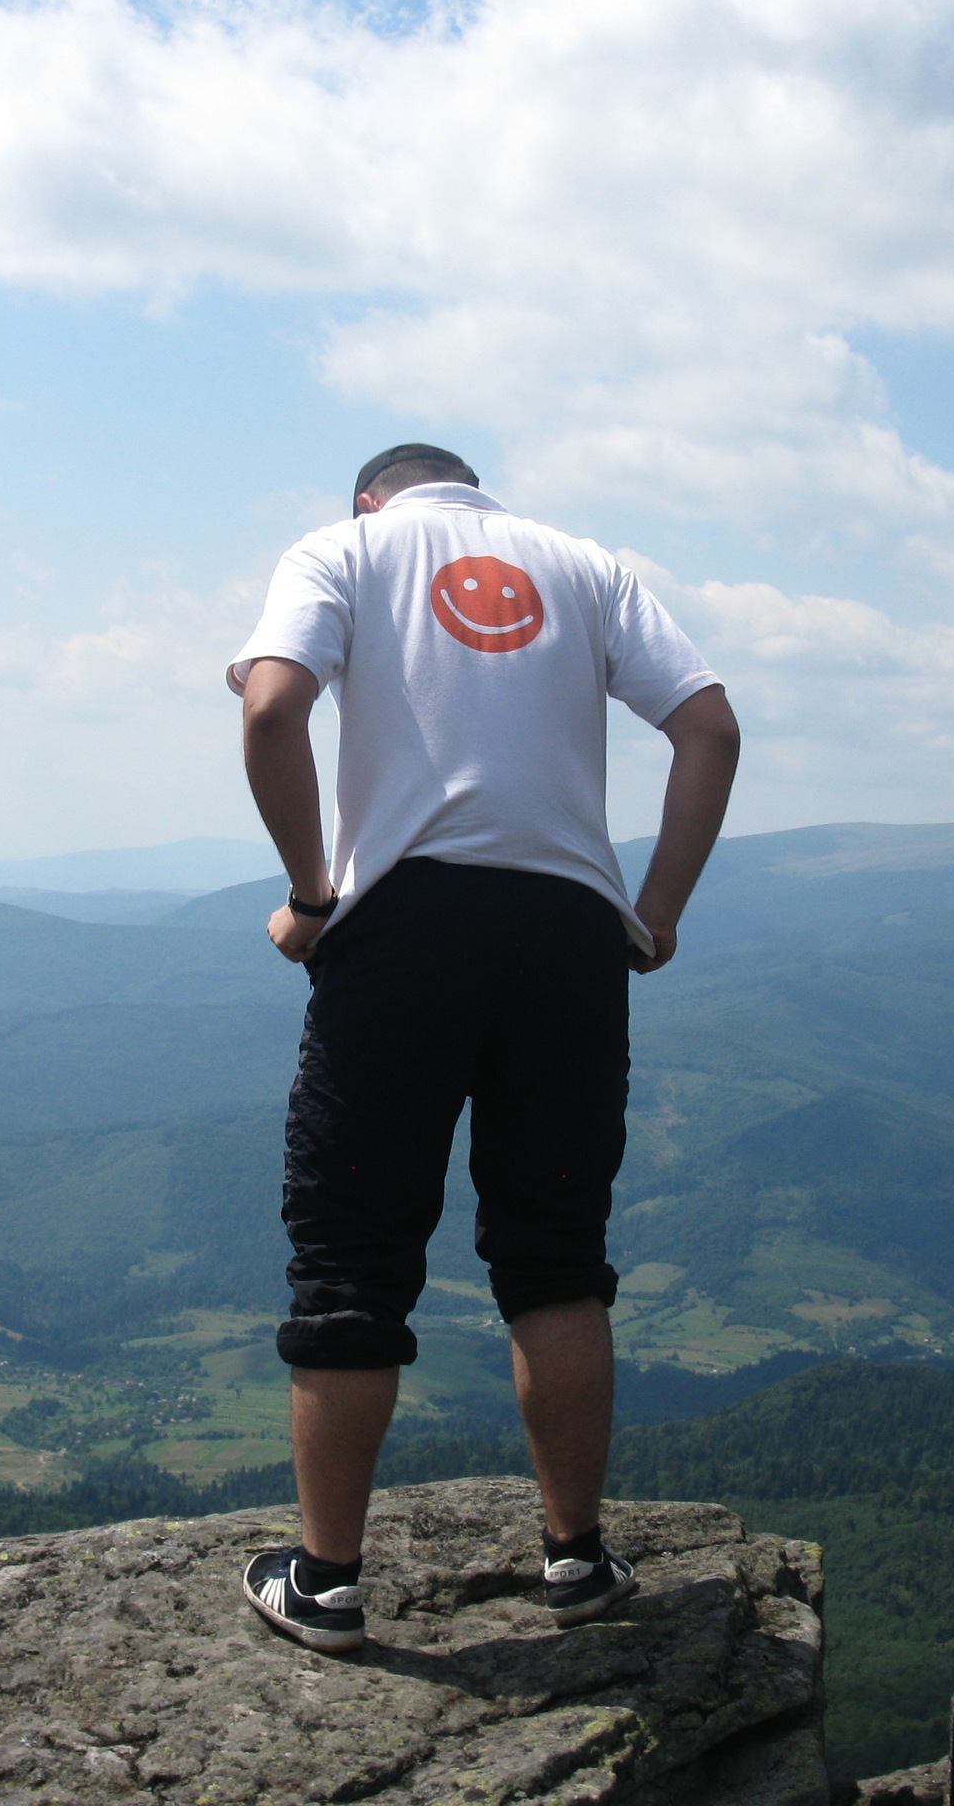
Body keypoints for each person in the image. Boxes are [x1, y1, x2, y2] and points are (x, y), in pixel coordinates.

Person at [226, 442, 741, 1652]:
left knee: (351, 1256)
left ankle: (326, 1582)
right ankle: (576, 1559)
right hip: (569, 932)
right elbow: (711, 730)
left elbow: (272, 708)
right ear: (473, 490)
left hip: (401, 928)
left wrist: (310, 894)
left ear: (370, 499)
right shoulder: (585, 567)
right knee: (556, 1256)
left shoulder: (343, 551)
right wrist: (656, 912)